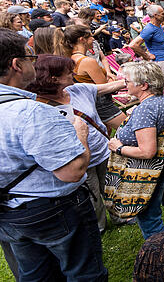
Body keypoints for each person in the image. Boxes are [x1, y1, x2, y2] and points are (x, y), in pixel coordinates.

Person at [0, 28, 108, 281]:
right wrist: (80, 133)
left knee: (36, 274)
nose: (34, 64)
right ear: (17, 65)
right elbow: (72, 171)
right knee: (83, 272)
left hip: (9, 211)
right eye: (31, 58)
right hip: (52, 210)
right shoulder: (32, 112)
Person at [27, 55, 126, 233]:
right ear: (53, 79)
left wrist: (133, 77)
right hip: (80, 158)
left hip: (102, 150)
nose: (73, 74)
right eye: (68, 72)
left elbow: (110, 86)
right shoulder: (40, 107)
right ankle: (99, 227)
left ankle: (120, 216)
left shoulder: (78, 89)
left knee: (112, 186)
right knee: (92, 195)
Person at [108, 61, 164, 238]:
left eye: (127, 81)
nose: (124, 84)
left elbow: (147, 152)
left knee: (148, 214)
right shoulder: (160, 99)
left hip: (150, 168)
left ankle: (161, 252)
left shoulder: (146, 110)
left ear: (144, 85)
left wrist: (118, 148)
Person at [57, 24, 127, 131]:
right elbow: (104, 87)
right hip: (103, 105)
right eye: (90, 36)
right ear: (82, 40)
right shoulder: (88, 61)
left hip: (88, 104)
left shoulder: (69, 58)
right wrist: (113, 79)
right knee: (129, 128)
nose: (93, 39)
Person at [128, 5, 164, 103]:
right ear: (155, 15)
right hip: (160, 62)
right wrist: (147, 56)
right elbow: (133, 44)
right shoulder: (149, 29)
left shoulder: (158, 26)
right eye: (163, 14)